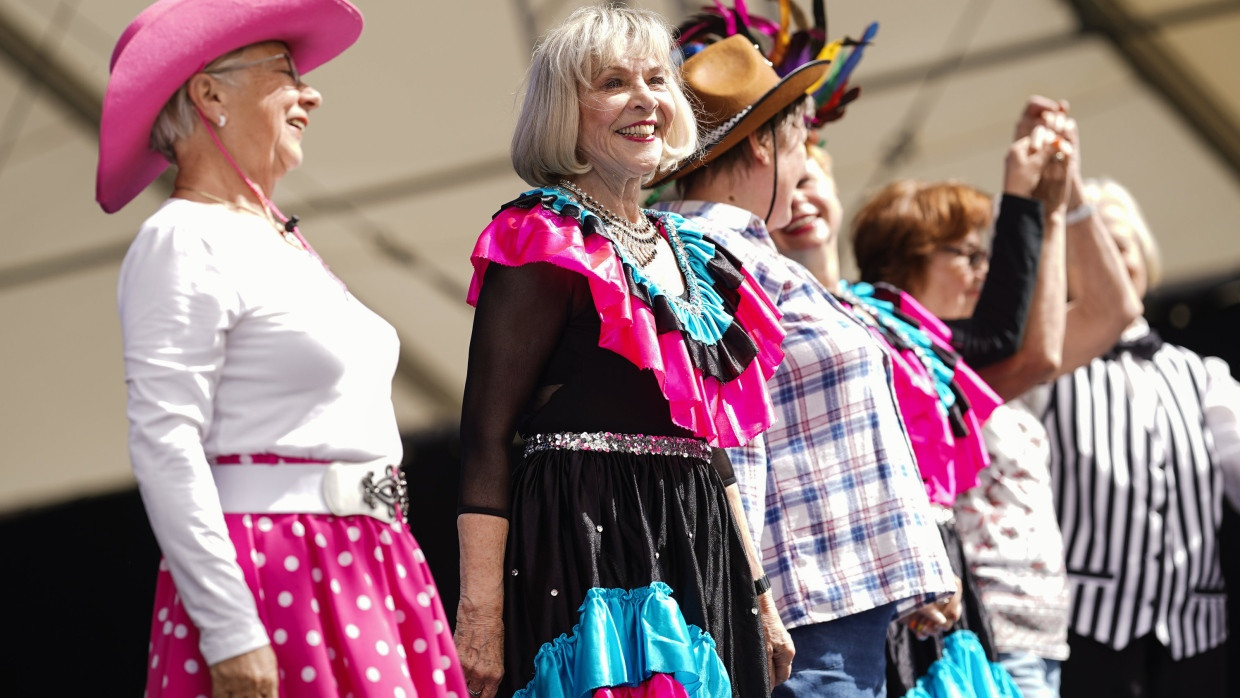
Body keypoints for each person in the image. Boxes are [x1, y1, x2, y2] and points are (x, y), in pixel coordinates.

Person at [99, 1, 466, 696]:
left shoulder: (277, 237)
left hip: (368, 560)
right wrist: (230, 627)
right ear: (209, 95)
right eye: (287, 73)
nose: (312, 93)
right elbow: (164, 439)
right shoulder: (183, 237)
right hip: (279, 569)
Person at [453, 7, 792, 698]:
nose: (645, 99)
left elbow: (709, 441)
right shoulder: (544, 235)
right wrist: (479, 614)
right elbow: (485, 436)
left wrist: (761, 596)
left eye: (657, 79)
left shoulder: (692, 252)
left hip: (697, 539)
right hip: (589, 540)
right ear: (563, 113)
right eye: (612, 82)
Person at [652, 32, 958, 698]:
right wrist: (750, 597)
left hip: (830, 605)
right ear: (764, 147)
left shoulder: (750, 260)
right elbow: (726, 441)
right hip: (802, 617)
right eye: (798, 149)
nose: (803, 171)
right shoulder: (715, 261)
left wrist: (918, 567)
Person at [848, 121, 1071, 695]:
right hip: (925, 597)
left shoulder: (925, 346)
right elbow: (1017, 342)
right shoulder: (877, 329)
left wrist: (1049, 207)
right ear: (909, 256)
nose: (982, 272)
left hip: (974, 602)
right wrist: (1024, 194)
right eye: (967, 255)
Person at [943, 98, 1142, 698]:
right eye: (965, 254)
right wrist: (1034, 205)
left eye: (987, 254)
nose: (985, 269)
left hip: (1044, 639)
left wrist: (1064, 195)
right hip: (982, 637)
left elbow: (1114, 310)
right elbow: (1041, 357)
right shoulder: (926, 358)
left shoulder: (997, 349)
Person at [1040, 177, 1238, 697]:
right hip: (1087, 633)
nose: (1110, 261)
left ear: (1145, 258)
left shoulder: (1204, 374)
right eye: (1091, 248)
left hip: (1194, 634)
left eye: (1120, 245)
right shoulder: (1047, 369)